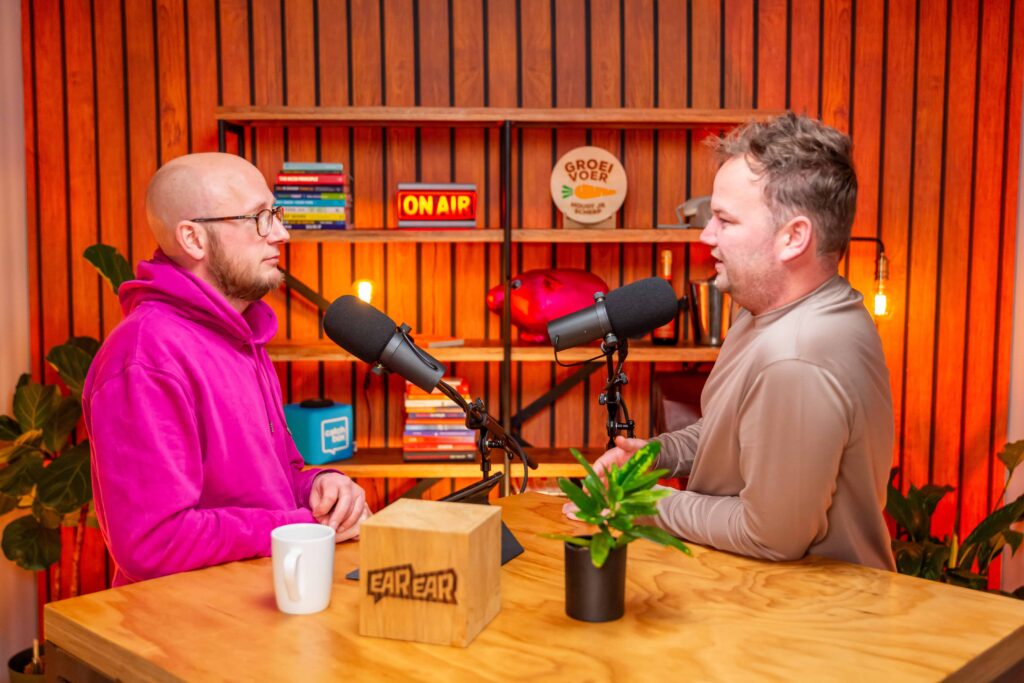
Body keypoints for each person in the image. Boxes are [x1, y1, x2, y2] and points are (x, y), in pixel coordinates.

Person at [571, 113, 896, 571]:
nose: (706, 235)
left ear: (793, 237)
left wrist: (642, 501)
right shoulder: (764, 312)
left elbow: (770, 536)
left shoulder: (797, 357)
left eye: (724, 220)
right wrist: (658, 454)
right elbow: (735, 429)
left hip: (813, 626)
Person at [83, 152, 369, 586]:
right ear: (193, 239)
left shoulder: (240, 336)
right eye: (258, 218)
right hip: (191, 634)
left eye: (275, 214)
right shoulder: (145, 355)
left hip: (262, 604)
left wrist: (321, 488)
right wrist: (298, 524)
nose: (281, 234)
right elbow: (152, 542)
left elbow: (277, 478)